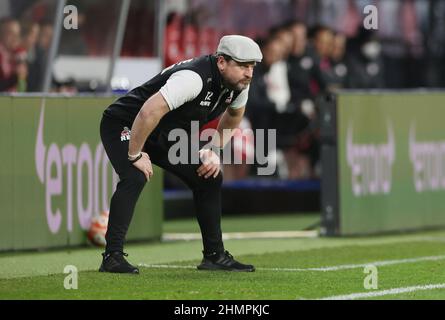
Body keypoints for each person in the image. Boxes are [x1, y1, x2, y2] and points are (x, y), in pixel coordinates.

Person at [99, 35, 262, 274]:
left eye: (252, 67)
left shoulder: (238, 85)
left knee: (208, 175)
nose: (249, 73)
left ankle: (214, 256)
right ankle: (112, 257)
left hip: (163, 133)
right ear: (221, 62)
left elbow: (234, 116)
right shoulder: (192, 79)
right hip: (126, 123)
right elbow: (147, 113)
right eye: (242, 65)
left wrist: (213, 150)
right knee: (135, 175)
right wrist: (135, 154)